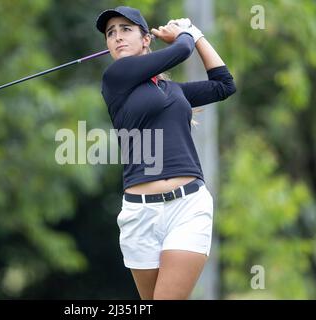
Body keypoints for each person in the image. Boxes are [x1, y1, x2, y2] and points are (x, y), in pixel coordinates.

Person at [95, 6, 236, 300]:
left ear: (146, 39)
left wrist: (196, 35)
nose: (117, 37)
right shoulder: (116, 77)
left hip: (188, 207)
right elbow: (180, 51)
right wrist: (184, 32)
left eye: (126, 29)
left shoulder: (175, 91)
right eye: (111, 33)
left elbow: (224, 84)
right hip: (139, 213)